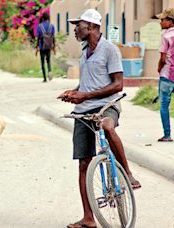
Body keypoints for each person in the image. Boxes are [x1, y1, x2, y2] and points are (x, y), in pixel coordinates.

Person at [57, 9, 141, 228]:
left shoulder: (110, 50)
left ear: (93, 27)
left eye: (79, 25)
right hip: (84, 110)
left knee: (106, 126)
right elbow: (88, 84)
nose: (75, 29)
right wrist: (74, 93)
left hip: (107, 105)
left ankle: (128, 174)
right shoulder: (85, 51)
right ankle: (88, 218)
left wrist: (85, 95)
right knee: (84, 163)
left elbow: (117, 84)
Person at [155, 8, 174, 142]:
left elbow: (163, 58)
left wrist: (159, 68)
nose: (160, 22)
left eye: (163, 20)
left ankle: (167, 135)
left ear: (171, 21)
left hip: (167, 75)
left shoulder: (166, 36)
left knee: (164, 105)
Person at [35, 12, 55, 82]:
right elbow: (53, 37)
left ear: (42, 18)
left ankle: (45, 78)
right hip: (49, 46)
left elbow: (38, 38)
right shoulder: (51, 26)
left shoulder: (40, 26)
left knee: (42, 62)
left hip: (42, 47)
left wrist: (36, 47)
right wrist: (53, 47)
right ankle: (49, 71)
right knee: (48, 61)